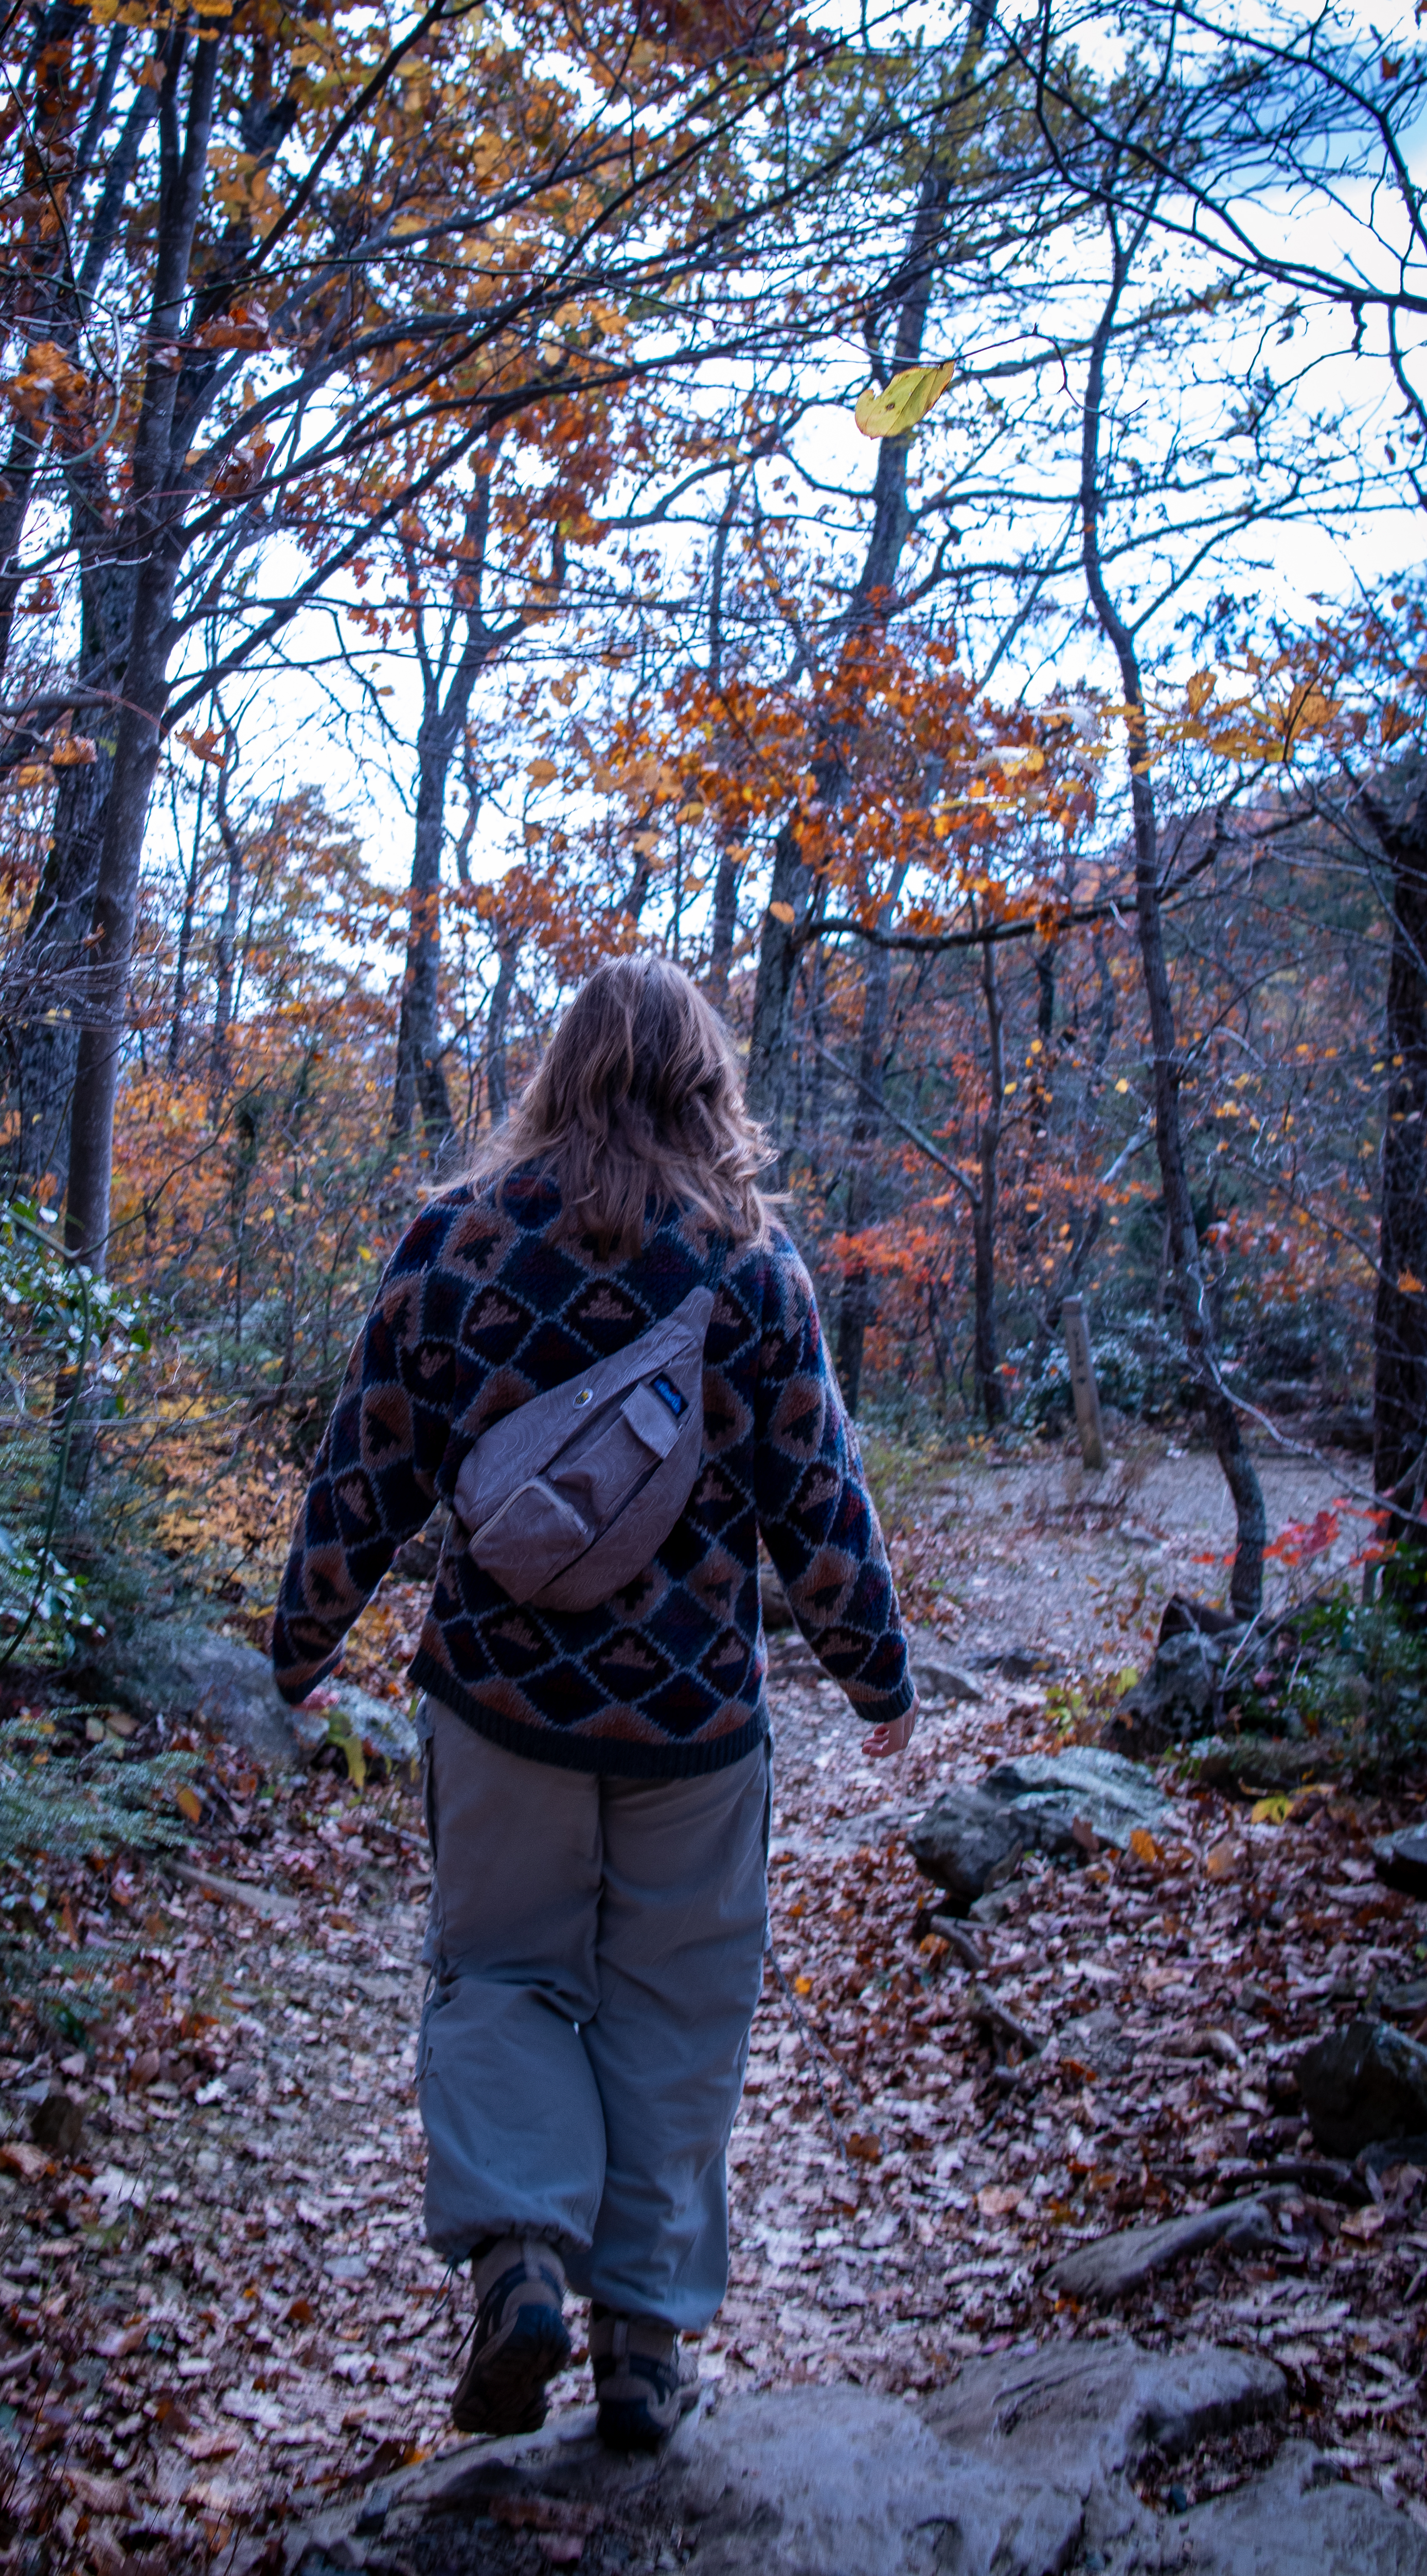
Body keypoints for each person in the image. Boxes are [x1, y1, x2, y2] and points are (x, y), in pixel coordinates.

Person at [271, 956, 914, 2453]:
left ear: (558, 1070)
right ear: (706, 1084)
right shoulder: (751, 1267)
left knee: (501, 1977)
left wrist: (297, 1643)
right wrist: (874, 1672)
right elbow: (816, 1504)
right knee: (676, 2013)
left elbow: (362, 1470)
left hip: (498, 1705)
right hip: (692, 1722)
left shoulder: (454, 1241)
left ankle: (519, 2258)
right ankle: (640, 2344)